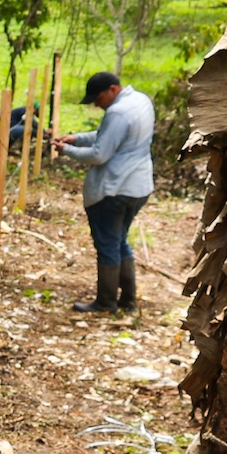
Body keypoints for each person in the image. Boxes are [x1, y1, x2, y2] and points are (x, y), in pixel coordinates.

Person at [56, 70, 155, 314]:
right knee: (119, 240)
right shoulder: (141, 101)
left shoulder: (118, 112)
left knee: (108, 244)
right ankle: (128, 299)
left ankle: (106, 301)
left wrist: (66, 151)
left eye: (98, 99)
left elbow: (100, 153)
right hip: (139, 186)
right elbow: (109, 137)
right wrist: (76, 139)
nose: (97, 105)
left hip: (115, 188)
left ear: (112, 89)